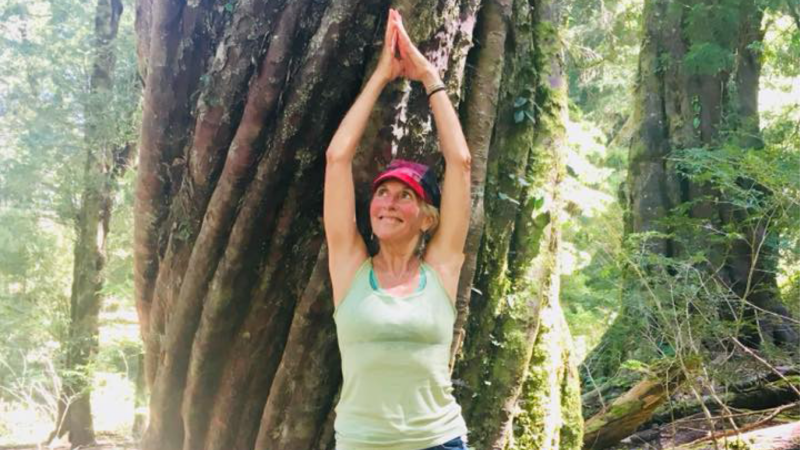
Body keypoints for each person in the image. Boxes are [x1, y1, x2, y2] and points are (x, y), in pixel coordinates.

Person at [324, 7, 472, 450]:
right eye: (382, 193)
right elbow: (337, 159)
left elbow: (461, 164)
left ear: (428, 218)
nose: (387, 202)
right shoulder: (349, 268)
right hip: (362, 442)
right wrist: (380, 77)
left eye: (405, 195)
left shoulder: (440, 271)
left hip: (439, 440)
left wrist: (428, 75)